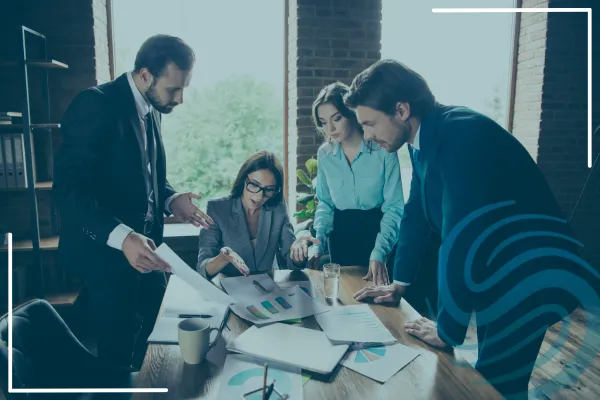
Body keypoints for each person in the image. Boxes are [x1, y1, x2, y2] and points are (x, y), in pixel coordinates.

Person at [348, 59, 597, 398]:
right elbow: (417, 213)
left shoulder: (461, 134)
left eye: (370, 123)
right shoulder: (424, 141)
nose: (367, 135)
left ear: (402, 110)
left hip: (533, 274)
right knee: (493, 378)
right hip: (501, 271)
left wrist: (449, 331)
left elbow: (460, 237)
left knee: (494, 383)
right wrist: (399, 283)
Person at [53, 34, 214, 370]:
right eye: (173, 89)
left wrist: (171, 200)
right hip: (105, 257)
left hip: (148, 251)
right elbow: (68, 192)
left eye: (183, 88)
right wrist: (123, 237)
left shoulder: (152, 107)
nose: (180, 99)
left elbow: (143, 177)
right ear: (145, 75)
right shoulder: (94, 104)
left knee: (161, 335)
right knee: (116, 354)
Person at [308, 82, 404, 285]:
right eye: (323, 122)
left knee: (382, 306)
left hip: (379, 233)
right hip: (341, 237)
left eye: (336, 118)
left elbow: (394, 207)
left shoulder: (383, 150)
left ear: (351, 113)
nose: (330, 129)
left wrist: (380, 251)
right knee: (346, 300)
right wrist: (318, 244)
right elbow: (325, 203)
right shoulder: (325, 154)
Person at [197, 151, 319, 279]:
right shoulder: (217, 208)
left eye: (269, 189)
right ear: (243, 179)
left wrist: (297, 253)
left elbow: (291, 261)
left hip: (267, 290)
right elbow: (202, 269)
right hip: (229, 290)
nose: (260, 196)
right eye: (255, 185)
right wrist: (223, 258)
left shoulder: (278, 208)